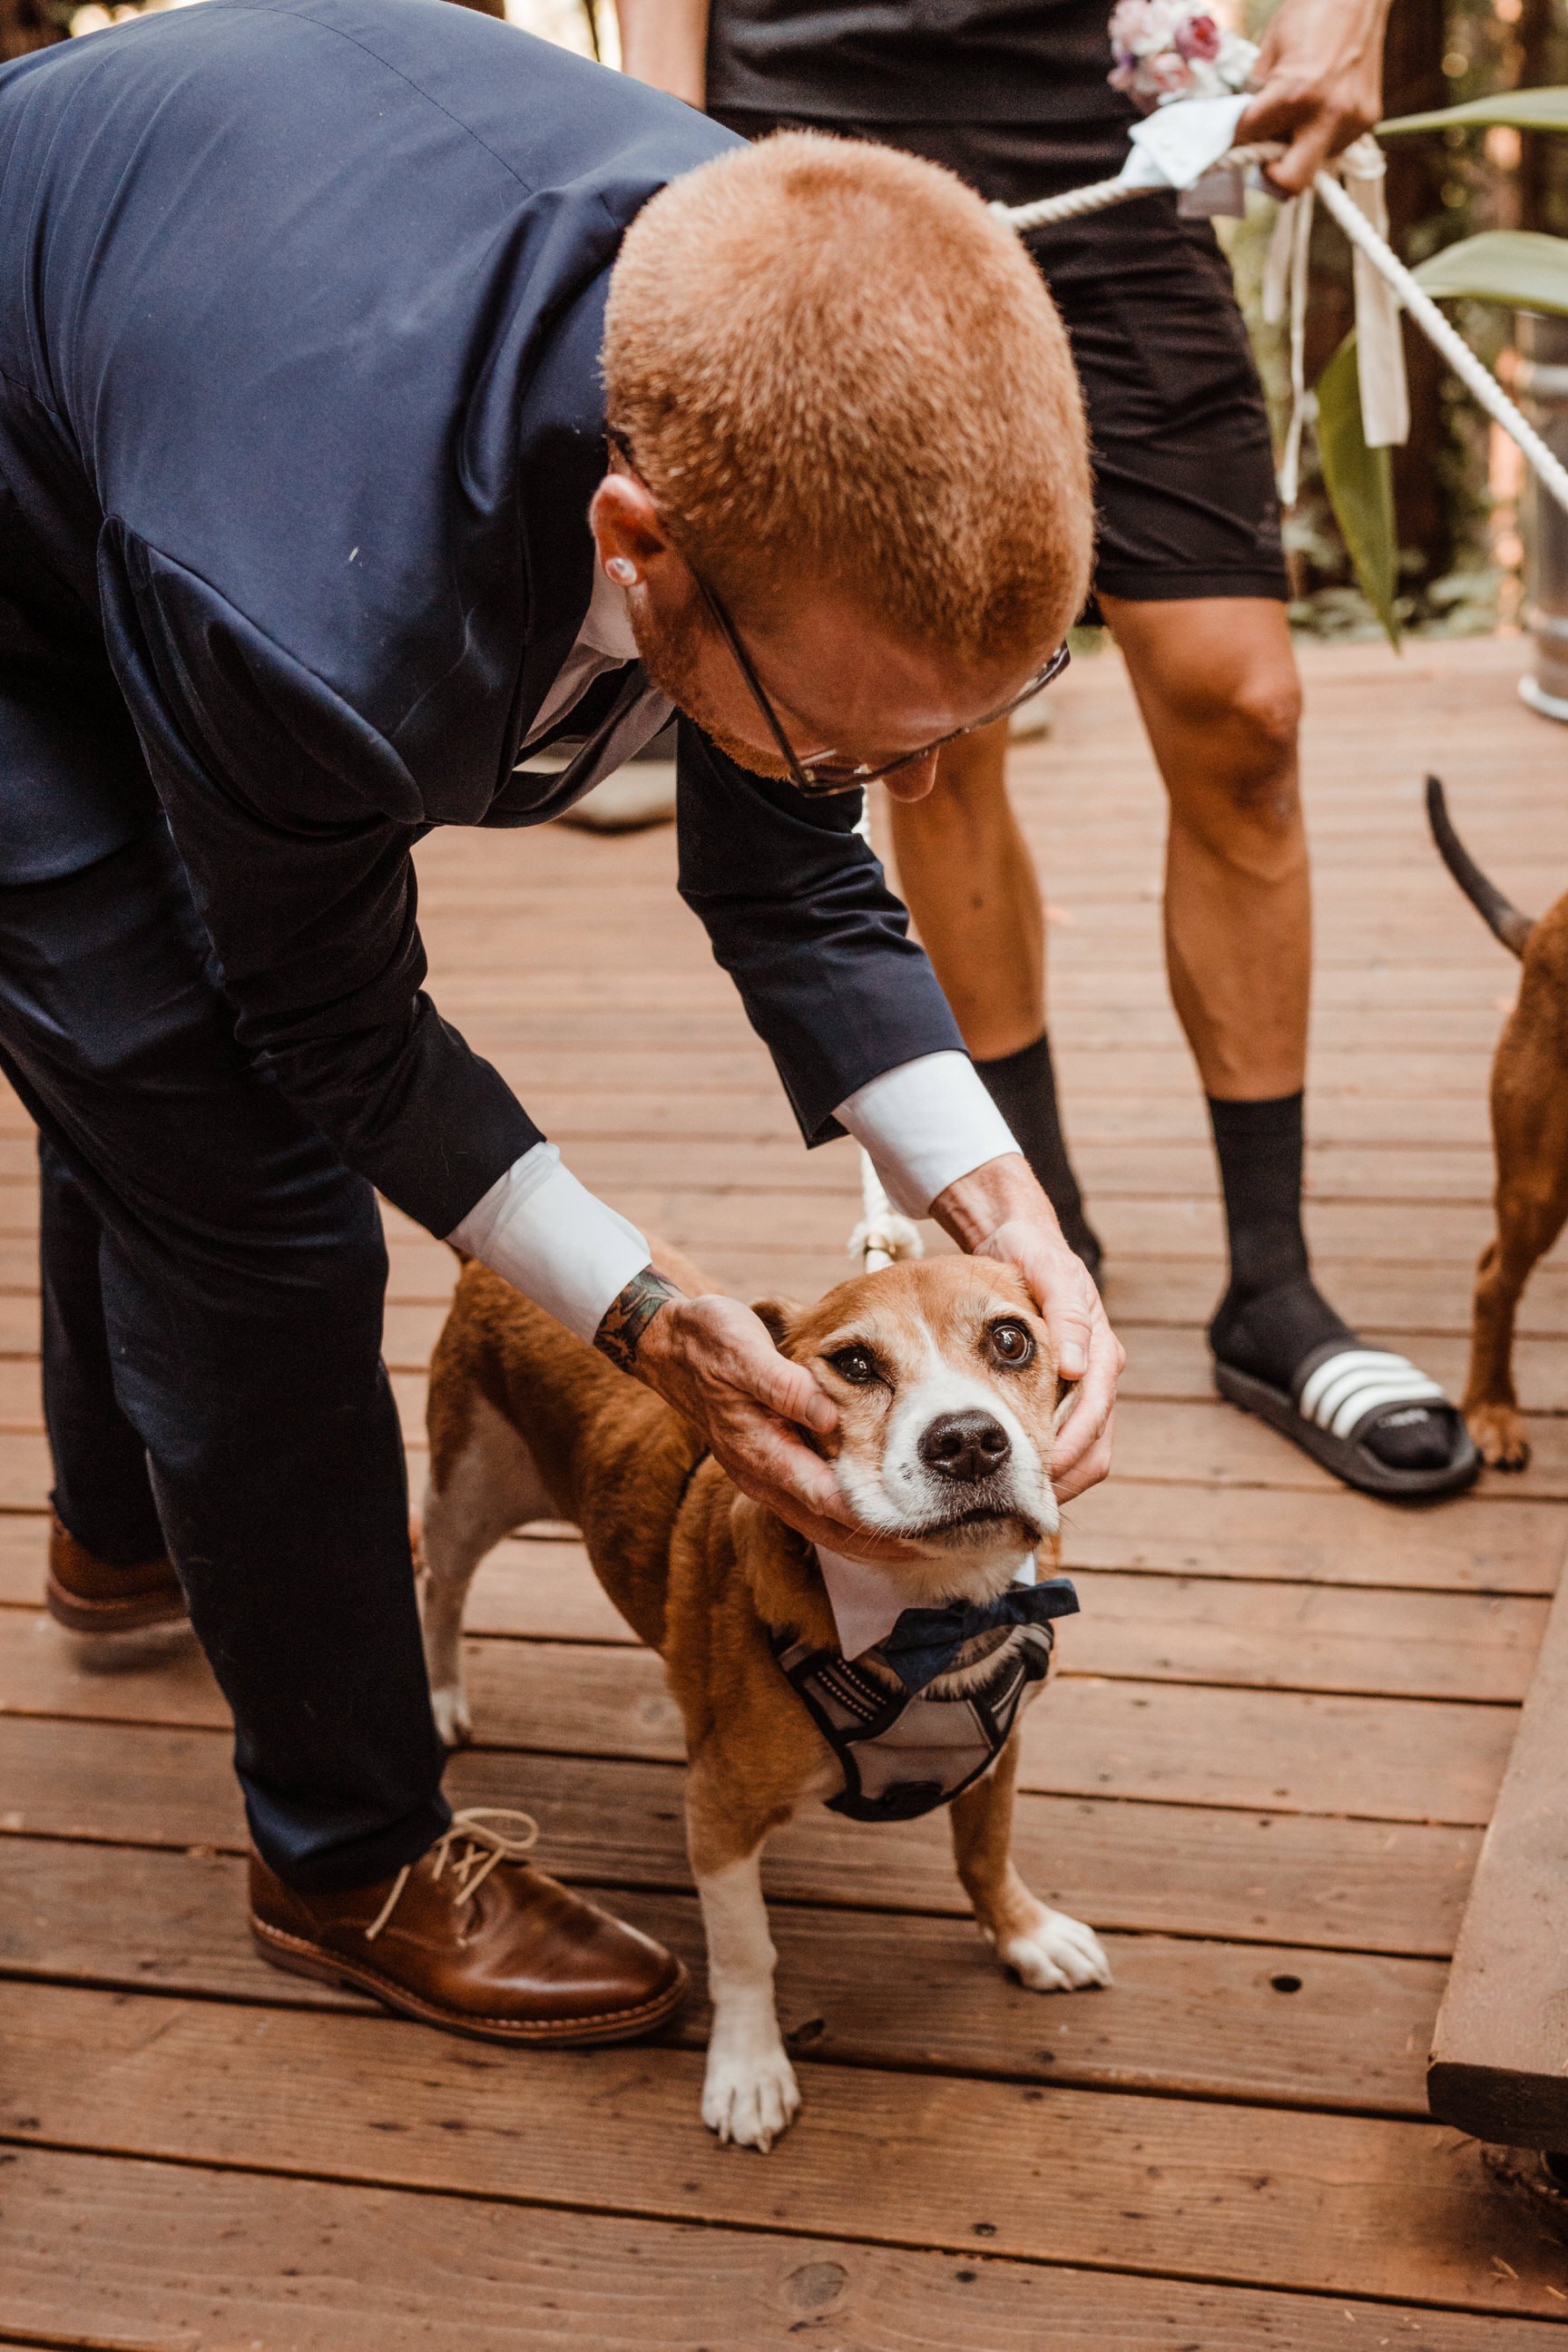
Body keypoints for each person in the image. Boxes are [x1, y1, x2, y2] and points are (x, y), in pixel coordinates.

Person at [0, 0, 1121, 2048]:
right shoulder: (312, 617)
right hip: (35, 550)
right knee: (226, 1146)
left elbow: (793, 858)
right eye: (876, 741)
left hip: (179, 309)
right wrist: (656, 1317)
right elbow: (330, 1028)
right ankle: (342, 1850)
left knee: (149, 1072)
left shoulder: (767, 339)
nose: (925, 789)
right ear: (638, 551)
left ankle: (116, 1522)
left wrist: (995, 1193)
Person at [619, 0, 1477, 1502]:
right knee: (929, 726)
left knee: (1245, 708)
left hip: (1108, 151)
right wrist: (663, 143)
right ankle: (1033, 1227)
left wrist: (1344, 22)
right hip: (815, 146)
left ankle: (1271, 1289)